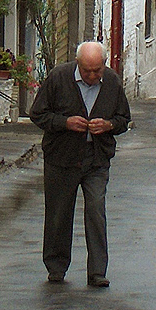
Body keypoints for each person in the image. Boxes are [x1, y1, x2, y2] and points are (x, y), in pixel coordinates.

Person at [28, 40, 131, 287]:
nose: (93, 76)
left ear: (105, 65)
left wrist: (108, 125)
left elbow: (123, 119)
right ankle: (56, 267)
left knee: (96, 210)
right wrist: (65, 123)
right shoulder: (58, 78)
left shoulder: (113, 83)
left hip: (96, 158)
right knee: (58, 213)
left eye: (98, 70)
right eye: (87, 71)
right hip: (61, 158)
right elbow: (37, 114)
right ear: (78, 64)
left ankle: (97, 272)